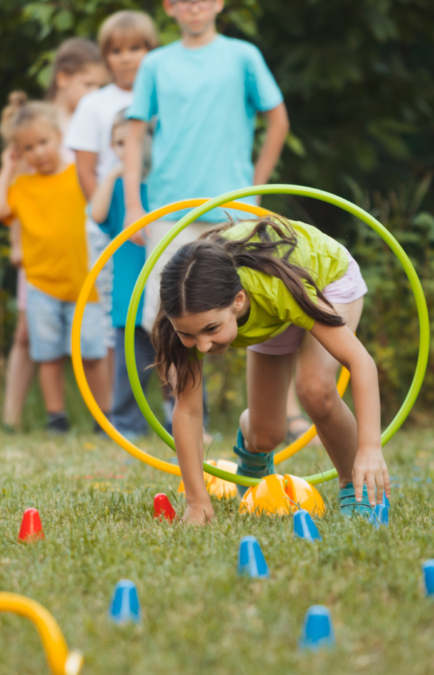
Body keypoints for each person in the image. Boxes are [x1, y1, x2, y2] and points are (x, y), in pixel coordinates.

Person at [152, 216, 390, 525]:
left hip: (326, 281)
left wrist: (370, 448)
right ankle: (251, 451)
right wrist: (197, 502)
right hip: (271, 313)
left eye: (211, 329)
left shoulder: (275, 288)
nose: (203, 347)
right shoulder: (185, 313)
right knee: (267, 435)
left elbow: (361, 362)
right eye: (189, 335)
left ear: (238, 301)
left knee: (314, 388)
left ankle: (356, 489)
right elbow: (189, 411)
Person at [121, 0, 290, 334]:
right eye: (184, 1)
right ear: (169, 7)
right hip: (169, 210)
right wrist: (131, 206)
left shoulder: (243, 56)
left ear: (218, 3)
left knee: (255, 314)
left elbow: (278, 121)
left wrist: (255, 189)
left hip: (234, 211)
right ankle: (184, 389)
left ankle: (264, 388)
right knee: (168, 320)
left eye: (202, 0)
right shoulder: (155, 63)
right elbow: (134, 135)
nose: (194, 8)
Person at [0, 93, 107, 434]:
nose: (37, 152)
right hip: (41, 286)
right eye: (27, 148)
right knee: (48, 356)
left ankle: (106, 419)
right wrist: (8, 167)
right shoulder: (21, 186)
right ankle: (57, 419)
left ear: (59, 138)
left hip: (86, 285)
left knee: (93, 356)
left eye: (43, 142)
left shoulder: (77, 176)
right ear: (18, 152)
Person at [90, 110, 213, 441]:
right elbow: (97, 214)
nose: (126, 149)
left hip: (167, 299)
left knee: (182, 361)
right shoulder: (120, 189)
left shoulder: (166, 188)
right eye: (118, 144)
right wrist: (115, 174)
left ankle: (191, 424)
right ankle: (127, 423)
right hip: (128, 295)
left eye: (134, 142)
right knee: (130, 369)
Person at [66, 14, 158, 421]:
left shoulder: (162, 96)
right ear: (105, 58)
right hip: (111, 223)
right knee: (116, 320)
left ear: (151, 51)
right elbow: (85, 169)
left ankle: (176, 409)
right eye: (116, 51)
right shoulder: (94, 103)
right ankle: (118, 414)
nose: (126, 59)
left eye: (135, 49)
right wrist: (109, 220)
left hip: (158, 216)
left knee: (161, 310)